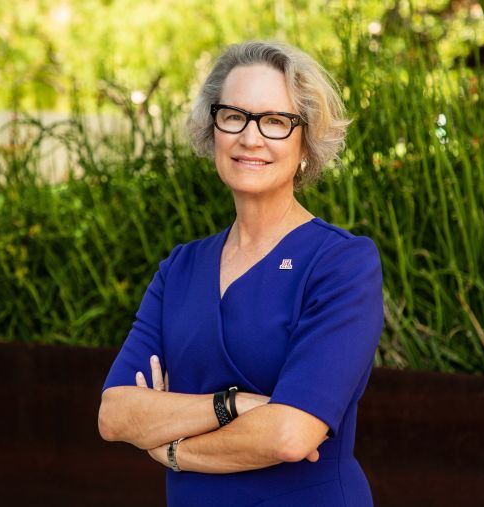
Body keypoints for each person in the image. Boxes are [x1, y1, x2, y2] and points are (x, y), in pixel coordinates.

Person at [98, 40, 384, 507]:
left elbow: (291, 434)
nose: (250, 138)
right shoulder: (181, 269)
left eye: (275, 121)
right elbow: (115, 414)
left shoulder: (341, 264)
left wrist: (173, 449)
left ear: (306, 142)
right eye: (234, 116)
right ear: (213, 130)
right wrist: (231, 405)